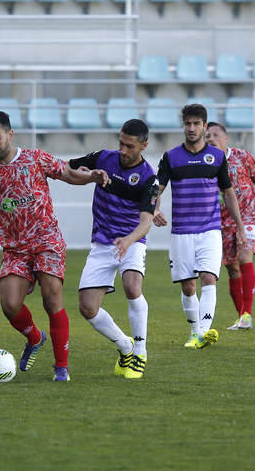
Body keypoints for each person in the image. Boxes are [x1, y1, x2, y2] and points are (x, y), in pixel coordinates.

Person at [0, 111, 109, 382]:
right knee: (9, 304)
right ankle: (35, 337)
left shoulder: (35, 158)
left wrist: (91, 177)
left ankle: (61, 367)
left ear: (10, 134)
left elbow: (67, 173)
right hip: (15, 249)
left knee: (52, 298)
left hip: (46, 241)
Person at [69, 119, 159, 379]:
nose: (123, 149)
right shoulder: (102, 158)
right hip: (102, 243)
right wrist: (89, 176)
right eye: (121, 143)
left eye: (129, 146)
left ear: (144, 145)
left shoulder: (149, 178)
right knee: (87, 307)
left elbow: (146, 222)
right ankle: (125, 346)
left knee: (132, 287)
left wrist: (129, 240)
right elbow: (65, 170)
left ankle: (140, 353)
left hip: (131, 242)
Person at [153, 104, 246, 349]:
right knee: (188, 284)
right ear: (183, 125)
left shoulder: (216, 157)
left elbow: (228, 193)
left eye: (197, 124)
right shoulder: (171, 157)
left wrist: (240, 226)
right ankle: (195, 332)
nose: (192, 128)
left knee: (208, 277)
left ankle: (203, 332)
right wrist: (154, 208)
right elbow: (157, 189)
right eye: (188, 124)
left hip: (210, 229)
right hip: (182, 231)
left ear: (205, 127)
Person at [206, 122, 255, 331]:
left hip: (249, 216)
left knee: (244, 256)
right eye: (207, 136)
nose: (210, 139)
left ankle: (247, 315)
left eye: (215, 135)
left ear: (225, 138)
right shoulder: (207, 163)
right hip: (223, 221)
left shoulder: (242, 157)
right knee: (231, 268)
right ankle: (242, 317)